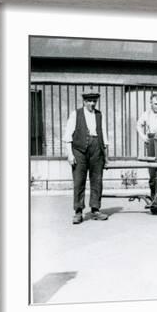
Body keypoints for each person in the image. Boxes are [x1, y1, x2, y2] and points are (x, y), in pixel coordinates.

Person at [63, 91, 109, 224]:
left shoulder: (100, 115)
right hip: (79, 151)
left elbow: (104, 135)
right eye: (89, 101)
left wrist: (105, 156)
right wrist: (70, 155)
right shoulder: (75, 114)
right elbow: (68, 136)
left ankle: (95, 209)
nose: (92, 104)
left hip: (97, 150)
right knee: (79, 180)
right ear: (84, 102)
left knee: (97, 180)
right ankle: (78, 211)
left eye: (94, 101)